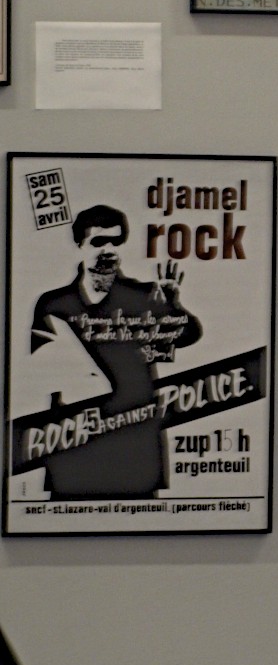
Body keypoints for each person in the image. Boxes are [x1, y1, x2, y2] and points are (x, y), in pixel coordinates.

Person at [29, 205, 202, 499]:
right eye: (98, 242)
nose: (108, 250)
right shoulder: (54, 304)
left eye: (116, 242)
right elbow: (39, 372)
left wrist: (173, 307)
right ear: (79, 245)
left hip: (134, 449)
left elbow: (188, 336)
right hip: (75, 450)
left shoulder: (145, 296)